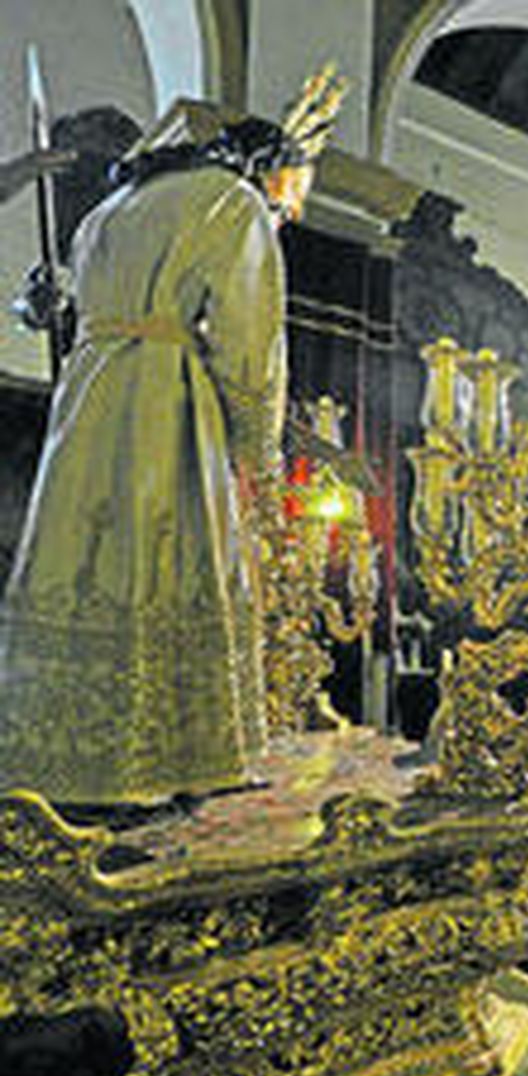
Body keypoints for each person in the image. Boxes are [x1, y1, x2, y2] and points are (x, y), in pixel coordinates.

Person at [0, 77, 342, 806]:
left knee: (80, 559)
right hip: (165, 404)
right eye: (293, 191)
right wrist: (258, 451)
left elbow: (82, 314)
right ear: (267, 168)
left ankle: (63, 757)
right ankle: (168, 762)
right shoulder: (231, 204)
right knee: (166, 561)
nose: (291, 208)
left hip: (86, 404)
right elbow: (249, 349)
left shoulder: (105, 213)